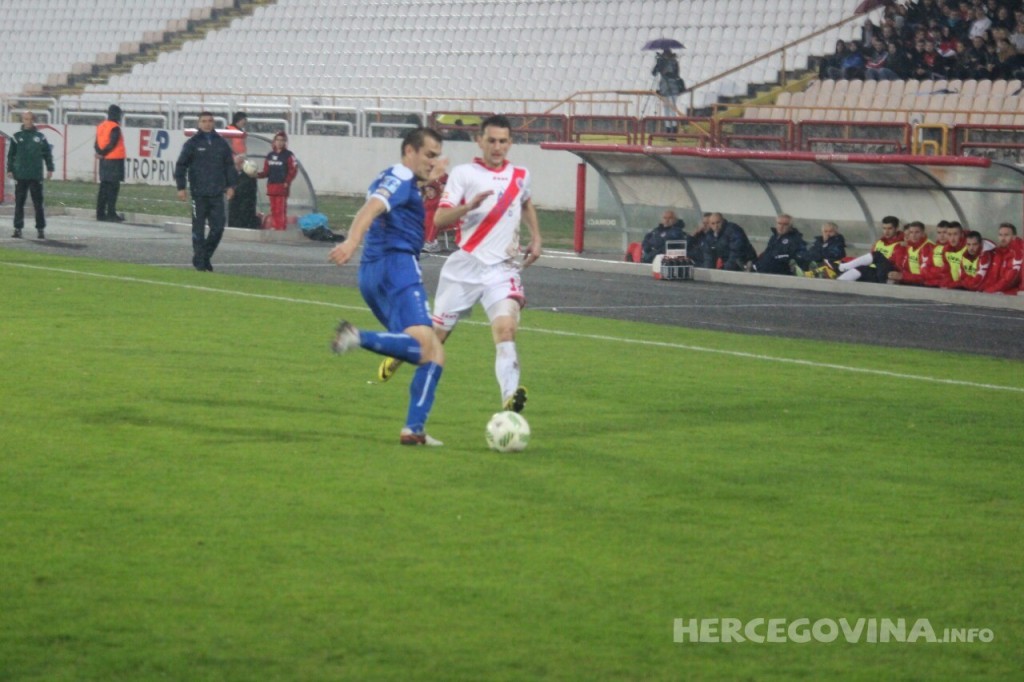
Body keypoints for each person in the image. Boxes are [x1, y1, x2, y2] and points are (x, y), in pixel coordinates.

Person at [379, 115, 541, 416]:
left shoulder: (521, 174)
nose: (497, 147)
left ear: (510, 143)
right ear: (479, 141)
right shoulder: (464, 174)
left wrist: (537, 237)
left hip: (502, 269)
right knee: (435, 339)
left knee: (506, 331)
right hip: (465, 267)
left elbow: (526, 201)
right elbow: (439, 220)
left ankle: (509, 399)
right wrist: (469, 207)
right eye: (491, 140)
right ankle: (400, 351)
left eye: (503, 141)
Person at [327, 127, 447, 446]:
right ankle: (357, 336)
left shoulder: (393, 177)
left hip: (374, 272)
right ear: (409, 150)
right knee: (425, 346)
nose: (433, 162)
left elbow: (396, 195)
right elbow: (373, 208)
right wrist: (352, 239)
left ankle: (414, 429)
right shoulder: (399, 176)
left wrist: (433, 173)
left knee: (433, 351)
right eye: (429, 155)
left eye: (436, 156)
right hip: (397, 267)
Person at [174, 111, 237, 271]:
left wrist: (231, 186)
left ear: (213, 122)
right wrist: (181, 187)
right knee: (198, 229)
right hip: (199, 193)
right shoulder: (192, 143)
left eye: (210, 121)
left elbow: (229, 166)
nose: (207, 124)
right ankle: (202, 262)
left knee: (218, 228)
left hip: (217, 193)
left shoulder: (221, 143)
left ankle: (203, 256)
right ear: (199, 124)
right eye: (204, 121)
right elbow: (181, 165)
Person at [6, 111, 54, 239]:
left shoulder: (40, 137)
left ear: (33, 120)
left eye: (29, 119)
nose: (27, 121)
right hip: (20, 175)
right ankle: (17, 228)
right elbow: (11, 155)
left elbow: (47, 154)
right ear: (23, 120)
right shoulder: (17, 137)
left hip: (35, 175)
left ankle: (40, 229)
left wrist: (50, 168)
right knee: (19, 203)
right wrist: (10, 169)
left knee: (38, 204)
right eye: (25, 119)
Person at [825, 216, 904, 282]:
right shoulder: (879, 242)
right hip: (875, 270)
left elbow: (899, 264)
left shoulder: (902, 243)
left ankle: (842, 267)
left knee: (877, 255)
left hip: (888, 272)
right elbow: (869, 258)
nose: (886, 231)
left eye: (890, 229)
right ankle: (837, 283)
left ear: (896, 228)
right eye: (884, 228)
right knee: (860, 269)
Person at [256, 131, 298, 230]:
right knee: (274, 208)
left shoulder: (288, 155)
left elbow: (293, 170)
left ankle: (281, 228)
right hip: (271, 185)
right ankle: (275, 226)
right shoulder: (270, 155)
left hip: (282, 185)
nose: (279, 142)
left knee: (281, 208)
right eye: (277, 140)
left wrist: (287, 181)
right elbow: (266, 172)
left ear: (285, 142)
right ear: (274, 141)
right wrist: (256, 175)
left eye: (282, 140)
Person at [226, 112, 260, 229]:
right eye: (243, 119)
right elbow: (227, 145)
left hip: (241, 159)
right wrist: (233, 158)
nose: (244, 122)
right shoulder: (229, 130)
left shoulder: (241, 132)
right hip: (234, 160)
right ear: (238, 120)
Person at [94, 104, 126, 222]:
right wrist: (104, 153)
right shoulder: (115, 127)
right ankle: (111, 213)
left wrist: (100, 153)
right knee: (113, 188)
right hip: (114, 160)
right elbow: (113, 143)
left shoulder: (101, 126)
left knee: (103, 187)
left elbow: (96, 144)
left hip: (104, 161)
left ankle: (100, 213)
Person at [888, 221, 935, 286]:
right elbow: (903, 267)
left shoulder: (927, 247)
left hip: (924, 284)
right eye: (911, 232)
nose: (913, 235)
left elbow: (925, 277)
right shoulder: (910, 246)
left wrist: (903, 277)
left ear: (923, 234)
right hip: (912, 280)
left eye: (917, 232)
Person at [652, 48, 685, 134]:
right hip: (664, 88)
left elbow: (673, 73)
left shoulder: (673, 62)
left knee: (672, 109)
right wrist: (658, 64)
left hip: (672, 87)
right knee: (666, 109)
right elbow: (654, 73)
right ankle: (668, 128)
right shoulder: (663, 62)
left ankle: (673, 129)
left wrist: (663, 66)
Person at [983, 223, 1024, 294]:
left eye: (1006, 235)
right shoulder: (997, 252)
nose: (1003, 238)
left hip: (1014, 295)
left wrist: (989, 291)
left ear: (1014, 237)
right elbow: (992, 276)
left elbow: (1009, 279)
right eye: (1000, 235)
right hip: (998, 292)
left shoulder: (1017, 252)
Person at [420, 166, 449, 253]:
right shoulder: (427, 182)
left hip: (444, 214)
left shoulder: (444, 178)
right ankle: (427, 242)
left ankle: (431, 242)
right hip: (431, 214)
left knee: (433, 216)